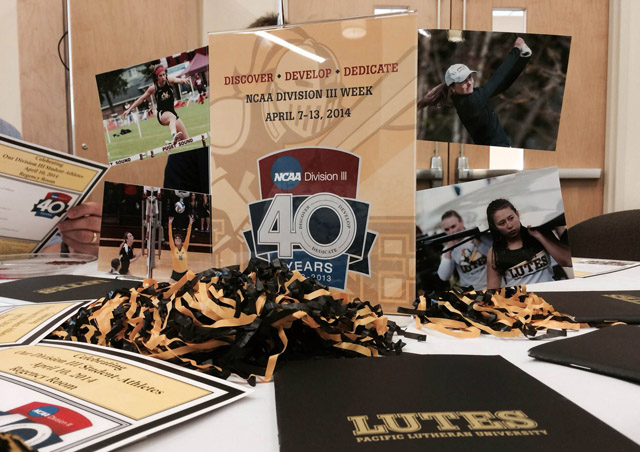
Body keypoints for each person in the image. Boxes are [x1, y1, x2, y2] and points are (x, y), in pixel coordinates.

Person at [417, 37, 532, 147]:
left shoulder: (469, 97)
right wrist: (516, 50)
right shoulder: (471, 103)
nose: (469, 83)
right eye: (462, 80)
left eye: (469, 77)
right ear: (452, 87)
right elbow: (497, 78)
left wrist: (524, 58)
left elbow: (502, 85)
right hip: (496, 154)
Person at [485, 198, 571, 289]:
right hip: (522, 301)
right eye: (502, 223)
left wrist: (539, 236)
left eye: (511, 218)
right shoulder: (495, 253)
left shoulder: (538, 232)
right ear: (495, 227)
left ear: (517, 214)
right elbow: (492, 291)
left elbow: (568, 261)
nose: (509, 225)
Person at [123, 64, 190, 145]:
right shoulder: (153, 88)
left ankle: (171, 143)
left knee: (187, 140)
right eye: (160, 76)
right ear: (156, 77)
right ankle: (174, 135)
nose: (163, 77)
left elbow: (177, 80)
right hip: (162, 114)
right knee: (172, 117)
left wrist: (183, 80)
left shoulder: (170, 81)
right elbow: (141, 99)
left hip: (172, 112)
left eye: (164, 74)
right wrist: (129, 109)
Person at [437, 210, 491, 290]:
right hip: (471, 292)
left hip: (492, 286)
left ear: (461, 222)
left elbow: (495, 256)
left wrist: (478, 242)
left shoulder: (477, 235)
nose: (451, 231)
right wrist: (448, 251)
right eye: (447, 229)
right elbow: (444, 276)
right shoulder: (448, 249)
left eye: (453, 226)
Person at [168, 215, 193, 281]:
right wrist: (170, 224)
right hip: (175, 274)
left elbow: (188, 235)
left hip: (184, 274)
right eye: (176, 239)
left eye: (179, 238)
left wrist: (190, 224)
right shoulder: (173, 249)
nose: (177, 239)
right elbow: (170, 236)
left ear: (182, 241)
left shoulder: (185, 247)